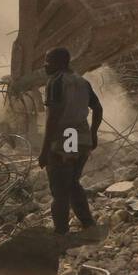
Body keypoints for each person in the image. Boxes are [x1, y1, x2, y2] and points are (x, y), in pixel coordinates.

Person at [37, 47, 103, 236]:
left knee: (60, 189)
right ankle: (88, 224)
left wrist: (44, 150)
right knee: (73, 183)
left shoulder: (56, 82)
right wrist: (93, 134)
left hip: (67, 137)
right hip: (81, 138)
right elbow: (98, 109)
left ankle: (61, 233)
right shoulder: (82, 82)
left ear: (60, 63)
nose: (45, 66)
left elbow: (54, 117)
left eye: (48, 62)